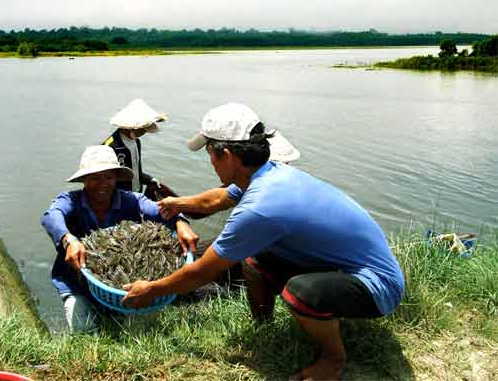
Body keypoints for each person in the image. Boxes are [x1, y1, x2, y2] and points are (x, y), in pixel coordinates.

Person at [122, 103, 405, 381]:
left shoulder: (260, 206)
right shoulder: (267, 173)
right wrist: (177, 203)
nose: (209, 161)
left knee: (300, 293)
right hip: (344, 267)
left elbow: (203, 272)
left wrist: (152, 289)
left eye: (210, 152)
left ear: (228, 155)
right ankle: (263, 327)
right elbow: (216, 199)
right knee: (254, 260)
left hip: (377, 286)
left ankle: (333, 358)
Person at [41, 145, 198, 332]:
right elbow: (51, 216)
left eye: (108, 177)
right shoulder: (70, 200)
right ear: (84, 180)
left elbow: (160, 211)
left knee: (139, 331)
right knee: (84, 332)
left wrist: (181, 222)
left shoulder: (132, 200)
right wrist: (69, 240)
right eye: (94, 178)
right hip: (76, 284)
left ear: (116, 178)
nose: (102, 184)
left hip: (124, 289)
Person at [102, 98, 167, 193]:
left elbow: (136, 172)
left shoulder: (136, 142)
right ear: (129, 127)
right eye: (142, 128)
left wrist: (149, 179)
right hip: (119, 198)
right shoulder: (110, 147)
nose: (144, 132)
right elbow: (105, 180)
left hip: (135, 193)